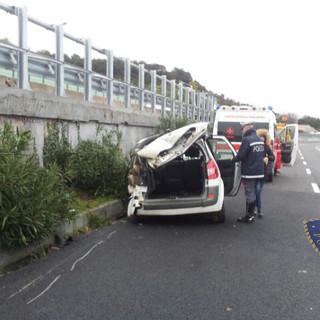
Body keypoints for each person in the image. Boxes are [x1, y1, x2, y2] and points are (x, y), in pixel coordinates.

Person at [232, 121, 265, 223]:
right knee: (253, 192)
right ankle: (251, 213)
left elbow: (241, 155)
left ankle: (249, 216)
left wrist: (232, 159)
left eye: (242, 129)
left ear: (246, 128)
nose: (242, 131)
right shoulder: (258, 139)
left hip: (250, 171)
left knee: (249, 192)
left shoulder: (247, 139)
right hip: (259, 171)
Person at [255, 130, 275, 217]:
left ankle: (258, 209)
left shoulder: (266, 147)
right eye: (260, 137)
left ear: (265, 138)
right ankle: (257, 209)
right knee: (255, 191)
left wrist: (267, 157)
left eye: (263, 137)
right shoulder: (254, 146)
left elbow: (272, 157)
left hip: (262, 172)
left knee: (258, 190)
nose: (261, 138)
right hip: (254, 171)